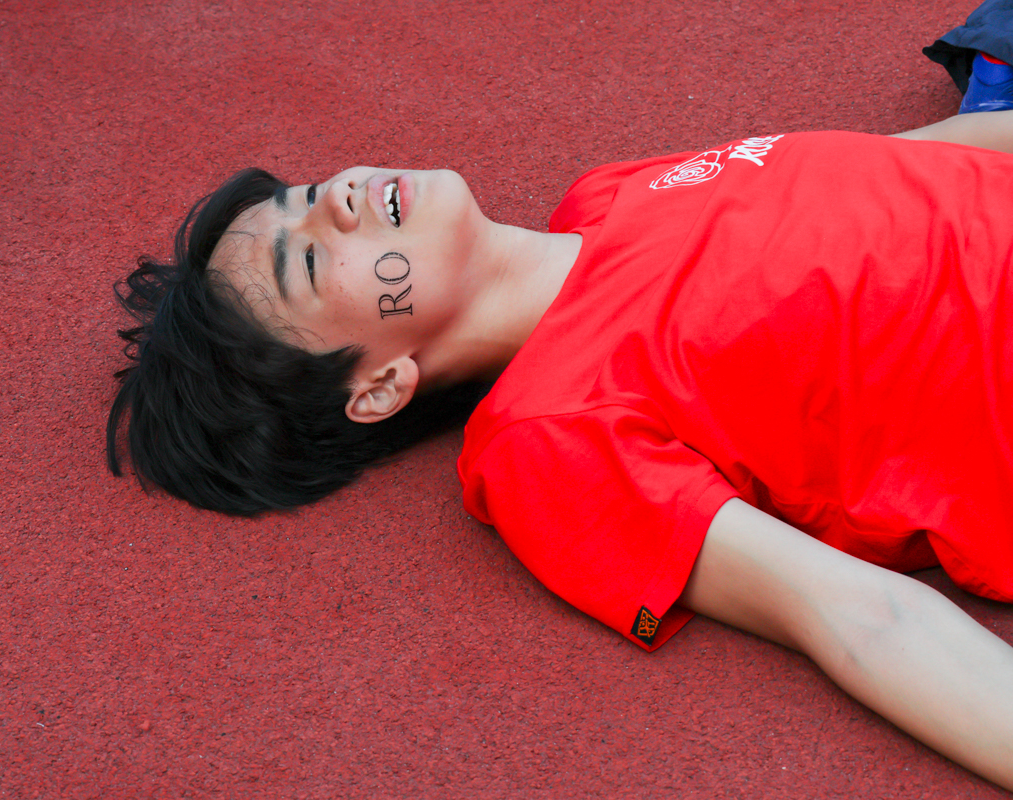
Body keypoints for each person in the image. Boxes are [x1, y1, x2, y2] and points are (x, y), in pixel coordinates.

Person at [106, 28, 1013, 798]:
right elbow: (854, 615)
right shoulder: (543, 437)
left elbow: (916, 159)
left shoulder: (611, 192)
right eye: (307, 260)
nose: (338, 198)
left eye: (306, 197)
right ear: (377, 386)